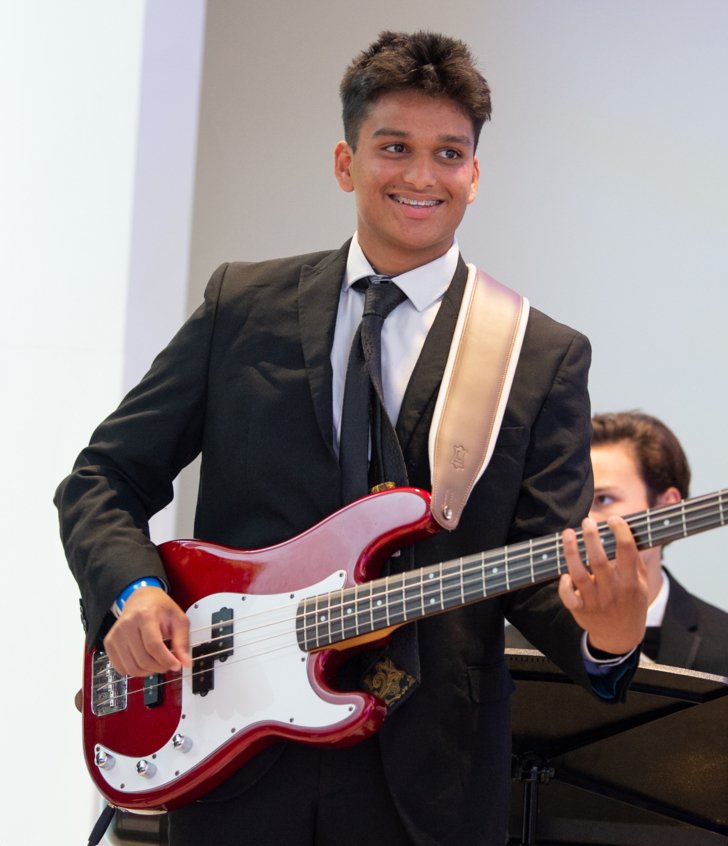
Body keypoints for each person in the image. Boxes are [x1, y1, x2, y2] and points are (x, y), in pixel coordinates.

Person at [55, 31, 647, 846]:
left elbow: (542, 574)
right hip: (234, 774)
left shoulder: (538, 354)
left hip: (429, 792)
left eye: (449, 153)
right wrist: (132, 592)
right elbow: (102, 477)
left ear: (475, 174)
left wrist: (609, 634)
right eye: (394, 147)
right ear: (346, 162)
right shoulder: (244, 305)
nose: (420, 175)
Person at [506, 410, 728, 677]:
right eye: (572, 506)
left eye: (604, 500)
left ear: (666, 506)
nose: (583, 522)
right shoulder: (511, 649)